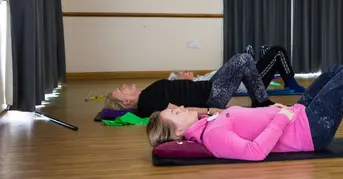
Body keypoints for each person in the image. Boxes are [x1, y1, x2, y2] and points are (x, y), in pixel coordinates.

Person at [146, 64, 343, 161]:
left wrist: (273, 112)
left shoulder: (206, 124)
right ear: (179, 132)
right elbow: (254, 152)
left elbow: (245, 120)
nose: (180, 107)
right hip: (308, 132)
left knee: (334, 71)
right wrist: (279, 118)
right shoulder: (213, 137)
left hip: (296, 115)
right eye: (176, 114)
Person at [104, 53, 277, 118]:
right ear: (126, 102)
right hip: (211, 96)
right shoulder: (147, 102)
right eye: (121, 90)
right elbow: (181, 110)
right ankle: (261, 103)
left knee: (243, 64)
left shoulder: (146, 96)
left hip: (208, 88)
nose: (124, 85)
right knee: (243, 59)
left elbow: (177, 94)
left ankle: (259, 102)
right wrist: (212, 112)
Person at [169, 45, 306, 94]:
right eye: (182, 74)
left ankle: (252, 59)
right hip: (251, 83)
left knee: (274, 52)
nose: (185, 71)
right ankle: (290, 82)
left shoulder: (201, 78)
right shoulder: (200, 84)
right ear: (182, 82)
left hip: (247, 75)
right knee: (278, 52)